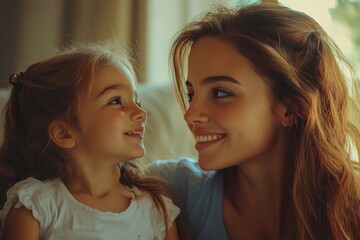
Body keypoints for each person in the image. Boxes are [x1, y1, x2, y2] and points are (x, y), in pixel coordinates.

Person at [148, 2, 360, 240]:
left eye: (220, 93)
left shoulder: (351, 210)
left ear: (291, 109)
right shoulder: (168, 190)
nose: (190, 115)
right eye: (191, 95)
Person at [0, 41, 179, 239]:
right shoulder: (36, 206)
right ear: (64, 134)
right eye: (115, 101)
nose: (141, 113)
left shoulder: (155, 207)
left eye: (137, 101)